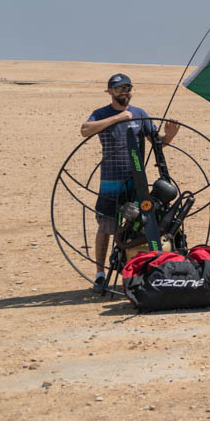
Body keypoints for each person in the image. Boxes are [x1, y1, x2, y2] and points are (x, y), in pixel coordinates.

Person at [80, 73, 179, 292]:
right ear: (110, 91)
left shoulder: (140, 114)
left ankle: (134, 270)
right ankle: (100, 274)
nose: (124, 92)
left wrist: (169, 136)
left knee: (136, 227)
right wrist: (118, 118)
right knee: (106, 227)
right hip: (110, 182)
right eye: (119, 88)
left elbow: (157, 143)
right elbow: (85, 130)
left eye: (127, 88)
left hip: (136, 182)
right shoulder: (101, 113)